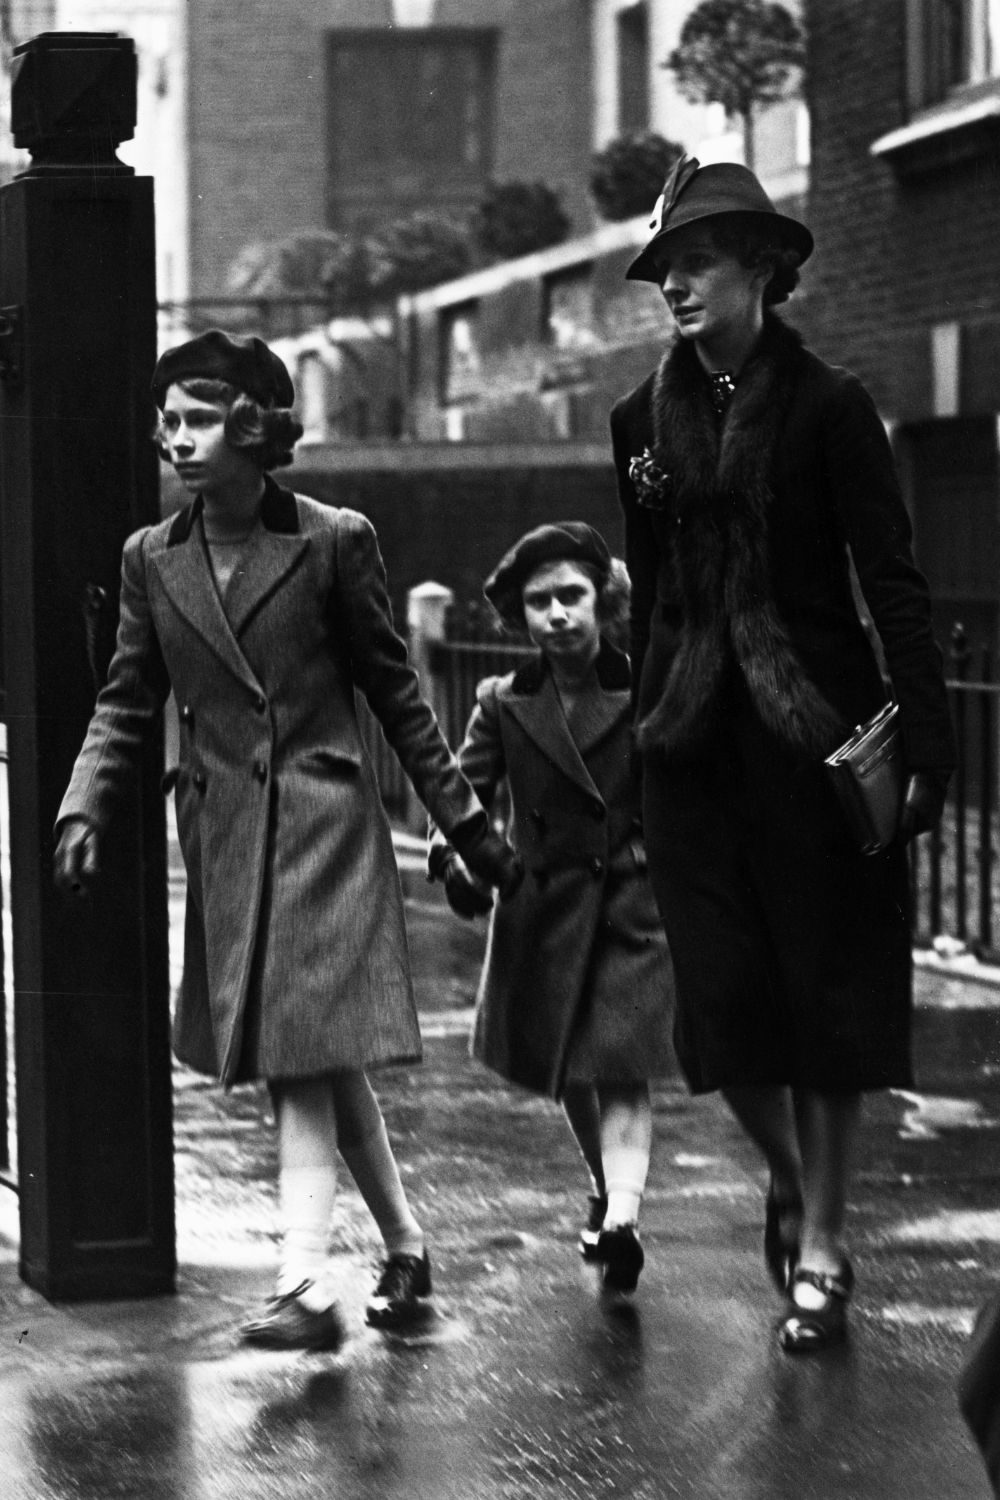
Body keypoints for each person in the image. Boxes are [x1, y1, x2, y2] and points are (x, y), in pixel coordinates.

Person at [53, 329, 521, 1351]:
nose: (177, 440)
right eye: (167, 422)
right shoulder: (150, 557)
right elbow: (127, 699)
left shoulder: (332, 541)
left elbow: (398, 698)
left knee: (302, 1057)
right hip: (225, 838)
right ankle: (406, 1245)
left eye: (199, 419)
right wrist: (83, 806)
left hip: (322, 826)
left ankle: (304, 1285)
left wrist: (467, 826)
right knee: (316, 1058)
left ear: (253, 426)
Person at [611, 157, 956, 1351]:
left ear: (761, 269)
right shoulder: (637, 423)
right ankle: (795, 1183)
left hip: (816, 749)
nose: (676, 286)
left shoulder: (829, 406)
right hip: (690, 754)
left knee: (826, 1004)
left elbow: (892, 580)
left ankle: (822, 1249)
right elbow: (650, 597)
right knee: (718, 1011)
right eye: (665, 268)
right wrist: (634, 750)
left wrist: (927, 744)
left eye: (698, 263)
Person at [429, 522, 675, 1295]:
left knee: (623, 1062)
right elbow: (461, 792)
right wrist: (453, 854)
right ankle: (606, 1188)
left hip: (630, 899)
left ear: (604, 601)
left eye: (572, 595)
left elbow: (685, 793)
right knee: (568, 1066)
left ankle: (624, 1219)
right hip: (541, 904)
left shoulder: (646, 691)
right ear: (521, 615)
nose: (558, 614)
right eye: (539, 602)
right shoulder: (502, 702)